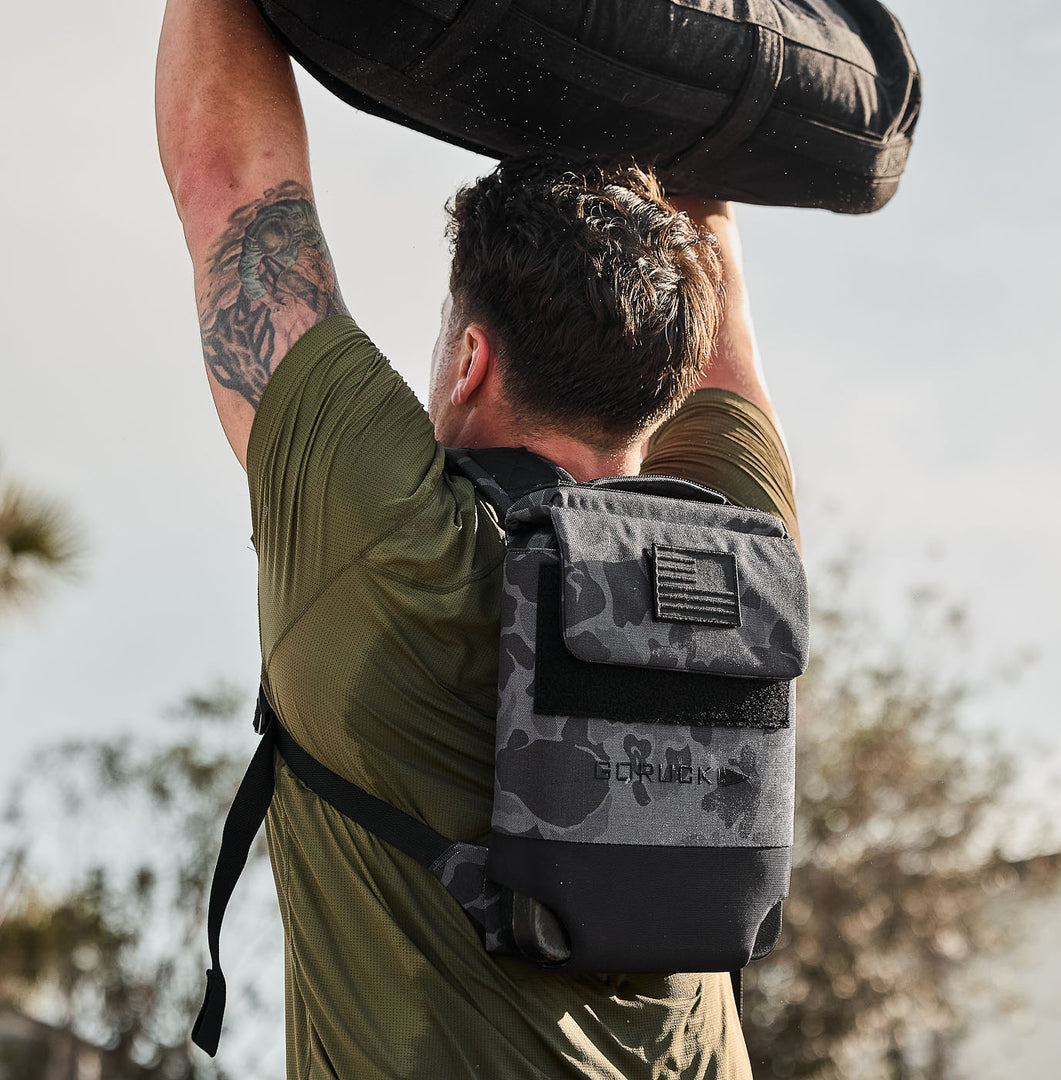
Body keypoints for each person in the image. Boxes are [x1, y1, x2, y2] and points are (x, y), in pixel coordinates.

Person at [156, 0, 799, 1075]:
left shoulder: (389, 545)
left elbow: (231, 184)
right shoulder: (740, 558)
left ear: (469, 362)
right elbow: (716, 273)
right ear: (675, 381)